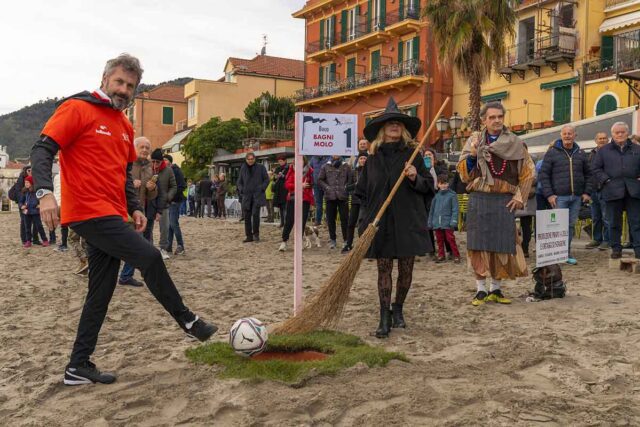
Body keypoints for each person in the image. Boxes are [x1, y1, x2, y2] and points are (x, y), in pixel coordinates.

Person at [31, 53, 216, 385]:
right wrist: (45, 193)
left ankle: (78, 366)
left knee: (99, 292)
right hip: (88, 211)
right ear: (104, 80)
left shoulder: (124, 126)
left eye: (130, 86)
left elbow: (122, 176)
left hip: (113, 212)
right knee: (149, 256)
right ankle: (188, 321)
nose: (124, 89)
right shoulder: (78, 108)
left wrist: (136, 208)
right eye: (119, 82)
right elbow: (42, 149)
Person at [355, 98, 435, 338]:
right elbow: (361, 193)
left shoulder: (413, 156)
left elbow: (429, 187)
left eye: (398, 124)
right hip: (381, 223)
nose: (394, 127)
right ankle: (384, 316)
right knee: (384, 270)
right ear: (382, 129)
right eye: (390, 123)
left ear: (403, 129)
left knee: (406, 270)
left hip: (408, 221)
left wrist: (414, 177)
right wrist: (364, 221)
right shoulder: (373, 160)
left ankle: (398, 308)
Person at [457, 101, 535, 306]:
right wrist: (473, 156)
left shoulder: (515, 142)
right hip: (479, 197)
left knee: (501, 245)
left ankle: (496, 289)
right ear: (484, 120)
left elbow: (528, 171)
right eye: (492, 117)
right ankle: (481, 290)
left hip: (504, 199)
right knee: (478, 245)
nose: (497, 120)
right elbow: (463, 173)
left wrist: (520, 197)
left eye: (500, 116)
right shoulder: (474, 141)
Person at [538, 124, 592, 265]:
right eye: (565, 133)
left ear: (575, 135)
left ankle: (566, 253)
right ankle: (556, 254)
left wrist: (587, 192)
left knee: (570, 226)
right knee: (557, 227)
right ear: (561, 135)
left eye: (570, 133)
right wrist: (549, 194)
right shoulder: (552, 153)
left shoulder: (581, 153)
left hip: (576, 197)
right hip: (558, 197)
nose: (567, 136)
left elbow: (589, 174)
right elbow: (544, 175)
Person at [592, 121, 640, 259]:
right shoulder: (603, 150)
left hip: (634, 190)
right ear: (612, 134)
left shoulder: (637, 149)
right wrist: (606, 180)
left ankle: (638, 249)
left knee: (636, 222)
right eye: (616, 132)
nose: (620, 134)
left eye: (622, 132)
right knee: (613, 222)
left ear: (627, 133)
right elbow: (595, 169)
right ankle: (616, 249)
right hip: (612, 190)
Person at [118, 137, 158, 287]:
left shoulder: (149, 168)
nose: (145, 150)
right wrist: (129, 184)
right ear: (134, 148)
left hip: (138, 212)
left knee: (136, 244)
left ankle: (126, 275)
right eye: (142, 147)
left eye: (147, 148)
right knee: (120, 245)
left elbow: (152, 196)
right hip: (121, 210)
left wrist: (152, 188)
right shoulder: (125, 163)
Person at [146, 149, 176, 260]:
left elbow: (174, 186)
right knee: (149, 228)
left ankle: (163, 248)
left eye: (157, 162)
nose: (155, 164)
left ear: (162, 161)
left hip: (164, 204)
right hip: (150, 202)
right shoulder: (148, 169)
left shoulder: (168, 171)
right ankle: (150, 248)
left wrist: (168, 197)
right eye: (153, 161)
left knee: (164, 227)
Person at [278, 157, 314, 251]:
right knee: (289, 221)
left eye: (301, 159)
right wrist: (299, 185)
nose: (299, 162)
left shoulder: (309, 170)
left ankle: (298, 242)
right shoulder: (291, 169)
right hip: (293, 199)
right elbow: (287, 185)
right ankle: (284, 241)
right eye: (297, 160)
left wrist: (309, 185)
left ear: (304, 161)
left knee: (302, 222)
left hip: (305, 199)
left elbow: (312, 184)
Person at [318, 155, 353, 250]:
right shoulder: (325, 166)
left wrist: (346, 187)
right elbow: (320, 180)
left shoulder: (346, 166)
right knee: (330, 220)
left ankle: (346, 240)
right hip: (330, 196)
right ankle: (333, 239)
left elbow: (351, 179)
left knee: (344, 219)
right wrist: (327, 187)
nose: (336, 154)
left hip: (343, 196)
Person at [586, 132, 611, 250]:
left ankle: (607, 240)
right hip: (593, 190)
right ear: (596, 140)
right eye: (600, 138)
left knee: (606, 217)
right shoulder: (592, 153)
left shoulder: (612, 152)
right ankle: (596, 239)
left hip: (606, 189)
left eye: (604, 138)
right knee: (595, 217)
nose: (602, 140)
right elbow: (589, 173)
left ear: (608, 140)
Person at [236, 152, 269, 242]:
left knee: (255, 215)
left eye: (252, 159)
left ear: (254, 159)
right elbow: (239, 181)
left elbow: (267, 179)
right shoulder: (243, 168)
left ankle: (256, 234)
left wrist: (262, 188)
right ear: (246, 160)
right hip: (246, 196)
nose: (250, 161)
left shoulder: (261, 167)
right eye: (248, 159)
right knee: (246, 216)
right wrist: (241, 189)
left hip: (257, 195)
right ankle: (249, 236)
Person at [428, 175, 460, 263]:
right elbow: (432, 210)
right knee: (439, 240)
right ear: (438, 184)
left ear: (448, 184)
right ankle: (441, 255)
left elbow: (455, 210)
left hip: (448, 223)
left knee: (450, 239)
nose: (444, 185)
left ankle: (456, 255)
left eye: (445, 183)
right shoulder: (436, 197)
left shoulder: (452, 195)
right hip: (437, 223)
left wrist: (453, 221)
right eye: (441, 183)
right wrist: (430, 222)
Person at [344, 151, 368, 253]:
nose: (363, 160)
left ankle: (363, 246)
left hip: (366, 201)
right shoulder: (354, 172)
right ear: (358, 160)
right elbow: (347, 188)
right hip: (355, 200)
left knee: (362, 224)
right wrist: (357, 185)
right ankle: (349, 244)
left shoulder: (371, 172)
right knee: (351, 223)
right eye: (361, 158)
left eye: (364, 158)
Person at [164, 154, 186, 255]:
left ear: (169, 161)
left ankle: (180, 245)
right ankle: (168, 246)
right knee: (169, 225)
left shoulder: (176, 171)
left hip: (175, 201)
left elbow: (182, 186)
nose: (163, 162)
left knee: (173, 223)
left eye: (165, 160)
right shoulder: (166, 171)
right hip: (169, 201)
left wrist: (172, 196)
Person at [19, 176, 49, 248]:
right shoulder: (24, 191)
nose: (26, 184)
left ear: (32, 183)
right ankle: (28, 241)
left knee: (39, 227)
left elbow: (42, 199)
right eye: (25, 182)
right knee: (27, 227)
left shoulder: (37, 191)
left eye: (27, 182)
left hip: (35, 212)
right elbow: (21, 201)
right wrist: (21, 206)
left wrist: (40, 205)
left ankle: (45, 240)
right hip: (27, 212)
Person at [309, 155, 331, 226]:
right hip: (316, 184)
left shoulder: (329, 157)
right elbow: (309, 170)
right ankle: (318, 220)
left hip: (327, 184)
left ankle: (328, 220)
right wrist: (311, 180)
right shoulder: (313, 158)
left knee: (328, 202)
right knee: (318, 203)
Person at [271, 155, 289, 227]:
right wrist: (275, 177)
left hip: (285, 189)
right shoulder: (278, 168)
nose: (280, 163)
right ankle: (282, 222)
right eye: (279, 161)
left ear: (285, 161)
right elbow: (274, 179)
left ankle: (286, 222)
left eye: (281, 161)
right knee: (281, 207)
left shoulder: (288, 168)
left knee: (285, 207)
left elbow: (289, 177)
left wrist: (283, 176)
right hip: (278, 190)